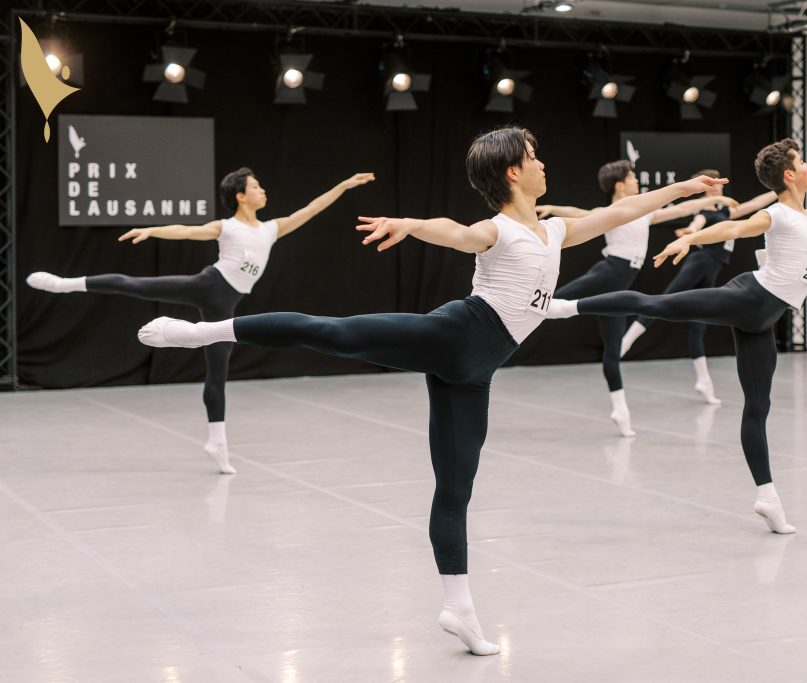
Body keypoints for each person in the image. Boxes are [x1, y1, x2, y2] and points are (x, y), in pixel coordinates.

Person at [135, 127, 726, 655]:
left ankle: (460, 609)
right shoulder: (498, 229)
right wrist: (412, 224)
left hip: (475, 372)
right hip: (452, 336)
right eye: (534, 155)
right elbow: (459, 233)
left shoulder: (552, 230)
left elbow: (620, 214)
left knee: (456, 488)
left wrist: (683, 190)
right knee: (330, 332)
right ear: (513, 172)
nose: (544, 163)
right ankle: (202, 332)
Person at [544, 138, 807, 534]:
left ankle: (767, 496)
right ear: (789, 175)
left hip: (765, 319)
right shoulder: (778, 215)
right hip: (749, 298)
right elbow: (733, 229)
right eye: (803, 162)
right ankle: (567, 306)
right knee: (657, 305)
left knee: (758, 406)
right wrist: (690, 239)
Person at [27, 169, 375, 473]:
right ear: (241, 196)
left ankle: (217, 443)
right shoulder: (227, 227)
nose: (262, 190)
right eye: (256, 187)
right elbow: (187, 230)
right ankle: (64, 285)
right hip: (208, 287)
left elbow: (311, 208)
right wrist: (154, 231)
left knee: (218, 371)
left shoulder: (271, 229)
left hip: (225, 306)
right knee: (134, 285)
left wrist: (343, 185)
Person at [535, 161, 736, 435]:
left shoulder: (644, 213)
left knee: (612, 349)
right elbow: (581, 213)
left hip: (617, 282)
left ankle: (620, 409)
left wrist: (714, 198)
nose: (636, 181)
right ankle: (535, 307)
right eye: (631, 177)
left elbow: (680, 209)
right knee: (549, 303)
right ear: (620, 185)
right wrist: (554, 209)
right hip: (609, 272)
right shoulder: (611, 212)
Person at [617, 171, 777, 404]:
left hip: (711, 269)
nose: (717, 191)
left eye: (718, 187)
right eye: (711, 188)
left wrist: (778, 191)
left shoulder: (726, 211)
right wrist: (691, 232)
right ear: (704, 192)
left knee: (699, 323)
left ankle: (703, 380)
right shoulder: (706, 212)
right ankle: (626, 341)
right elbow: (697, 223)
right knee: (664, 299)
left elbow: (754, 204)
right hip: (700, 263)